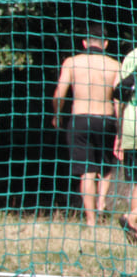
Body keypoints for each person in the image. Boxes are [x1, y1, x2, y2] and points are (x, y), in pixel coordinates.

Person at [51, 24, 120, 227]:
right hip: (106, 119)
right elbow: (118, 99)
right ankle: (101, 204)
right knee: (106, 166)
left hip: (79, 119)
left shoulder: (72, 63)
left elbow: (59, 94)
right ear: (105, 44)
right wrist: (120, 126)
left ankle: (91, 222)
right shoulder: (114, 65)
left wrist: (56, 115)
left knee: (87, 172)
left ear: (84, 42)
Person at [115, 45, 137, 243]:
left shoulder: (131, 56)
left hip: (131, 125)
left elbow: (118, 96)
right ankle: (132, 217)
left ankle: (134, 222)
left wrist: (119, 132)